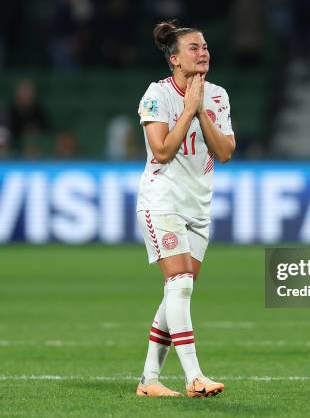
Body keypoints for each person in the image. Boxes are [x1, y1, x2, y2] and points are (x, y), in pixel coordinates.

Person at [134, 20, 235, 398]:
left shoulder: (219, 96)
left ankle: (148, 380)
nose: (203, 52)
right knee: (181, 284)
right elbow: (161, 151)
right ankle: (194, 376)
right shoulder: (156, 95)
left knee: (177, 290)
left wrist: (200, 111)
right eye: (194, 48)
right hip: (162, 199)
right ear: (174, 59)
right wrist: (187, 110)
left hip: (198, 205)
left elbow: (224, 152)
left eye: (205, 46)